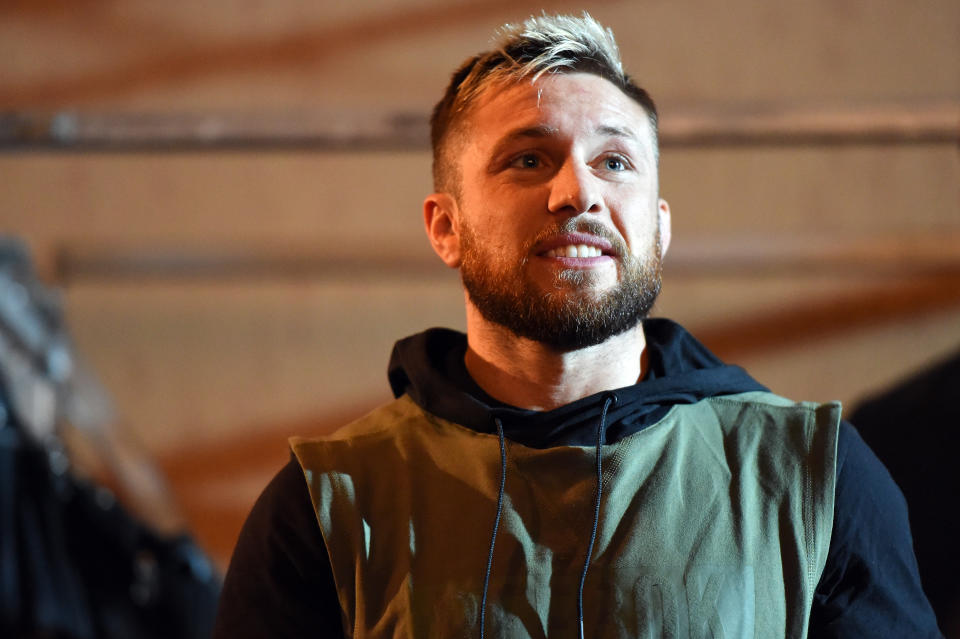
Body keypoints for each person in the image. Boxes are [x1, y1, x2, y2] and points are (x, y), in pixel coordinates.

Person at [213, 13, 942, 638]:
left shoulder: (816, 478)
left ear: (658, 230)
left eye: (615, 160)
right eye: (529, 159)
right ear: (446, 227)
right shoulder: (325, 501)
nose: (579, 192)